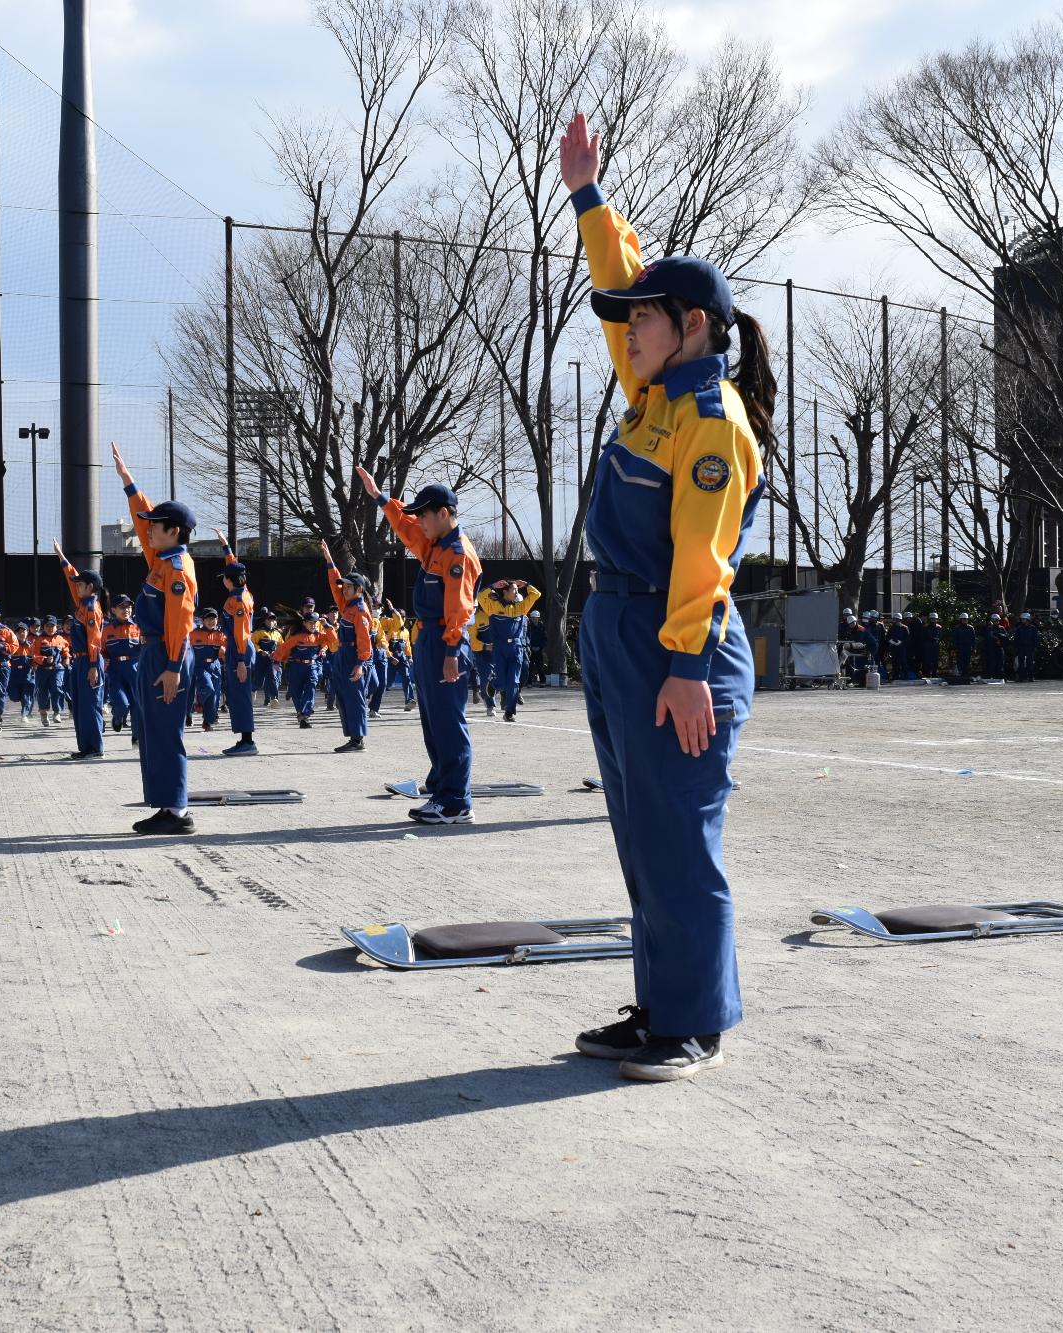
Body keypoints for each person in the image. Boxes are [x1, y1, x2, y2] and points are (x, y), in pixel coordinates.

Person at [557, 110, 771, 1080]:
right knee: (639, 828)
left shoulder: (708, 421)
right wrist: (587, 197)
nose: (623, 331)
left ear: (688, 327)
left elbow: (702, 556)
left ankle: (693, 1022)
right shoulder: (652, 397)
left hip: (671, 636)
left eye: (639, 319)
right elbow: (618, 273)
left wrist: (684, 665)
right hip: (619, 627)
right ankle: (658, 1005)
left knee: (679, 832)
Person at [355, 467, 479, 824]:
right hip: (427, 639)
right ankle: (442, 791)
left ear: (443, 513)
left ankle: (456, 801)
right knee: (433, 721)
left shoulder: (456, 553)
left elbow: (460, 606)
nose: (419, 522)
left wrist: (453, 651)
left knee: (448, 723)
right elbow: (405, 528)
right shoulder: (434, 544)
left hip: (445, 641)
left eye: (424, 515)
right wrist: (381, 499)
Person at [112, 442, 197, 835]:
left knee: (165, 731)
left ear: (174, 531)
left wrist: (172, 667)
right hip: (156, 653)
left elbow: (179, 621)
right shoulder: (161, 560)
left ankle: (177, 811)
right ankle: (165, 807)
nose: (147, 529)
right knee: (151, 731)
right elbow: (143, 520)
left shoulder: (176, 568)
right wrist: (129, 483)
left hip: (167, 653)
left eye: (155, 525)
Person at [320, 539, 376, 753]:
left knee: (354, 697)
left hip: (355, 655)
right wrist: (329, 561)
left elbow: (364, 640)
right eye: (345, 586)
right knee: (344, 696)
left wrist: (361, 663)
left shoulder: (360, 611)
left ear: (359, 589)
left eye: (349, 587)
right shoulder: (348, 605)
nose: (344, 589)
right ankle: (352, 737)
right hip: (344, 653)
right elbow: (335, 585)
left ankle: (358, 739)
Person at [54, 545, 109, 758]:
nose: (76, 587)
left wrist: (94, 666)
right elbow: (72, 577)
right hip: (79, 662)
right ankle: (85, 747)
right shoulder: (82, 603)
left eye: (81, 585)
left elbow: (94, 639)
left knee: (90, 705)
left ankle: (95, 747)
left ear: (91, 587)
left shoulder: (92, 608)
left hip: (89, 661)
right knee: (79, 706)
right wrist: (61, 556)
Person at [211, 531, 260, 756]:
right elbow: (234, 566)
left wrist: (240, 660)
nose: (222, 579)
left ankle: (248, 741)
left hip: (240, 649)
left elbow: (240, 632)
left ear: (230, 580)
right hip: (237, 648)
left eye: (224, 576)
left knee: (240, 695)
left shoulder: (238, 600)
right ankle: (244, 739)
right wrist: (225, 546)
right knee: (236, 694)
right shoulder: (242, 591)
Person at [480, 578, 543, 720]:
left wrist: (526, 584)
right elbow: (480, 596)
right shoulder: (493, 606)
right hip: (500, 648)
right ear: (505, 592)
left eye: (517, 590)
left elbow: (536, 594)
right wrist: (493, 585)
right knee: (502, 682)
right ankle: (494, 683)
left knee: (514, 681)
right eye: (513, 590)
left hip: (516, 648)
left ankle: (509, 712)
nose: (516, 592)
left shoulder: (521, 607)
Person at [273, 609, 330, 726]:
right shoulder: (296, 637)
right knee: (296, 692)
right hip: (296, 667)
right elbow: (284, 648)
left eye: (315, 623)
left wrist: (326, 625)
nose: (313, 625)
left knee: (311, 687)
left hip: (312, 666)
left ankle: (305, 712)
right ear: (304, 623)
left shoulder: (319, 636)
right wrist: (277, 660)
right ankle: (302, 715)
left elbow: (333, 639)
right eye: (310, 622)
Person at [101, 596, 142, 740]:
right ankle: (117, 718)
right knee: (122, 704)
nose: (126, 610)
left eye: (129, 607)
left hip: (134, 668)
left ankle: (136, 738)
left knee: (137, 705)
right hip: (115, 670)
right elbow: (102, 650)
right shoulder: (106, 630)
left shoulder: (138, 626)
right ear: (113, 610)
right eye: (122, 607)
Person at [189, 608, 226, 732]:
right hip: (199, 666)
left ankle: (207, 721)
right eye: (209, 619)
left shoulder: (220, 634)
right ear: (203, 620)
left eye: (214, 618)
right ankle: (199, 702)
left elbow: (227, 650)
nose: (212, 621)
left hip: (215, 666)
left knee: (215, 696)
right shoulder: (194, 634)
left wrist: (224, 652)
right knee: (208, 688)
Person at [35, 617, 70, 725]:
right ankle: (44, 713)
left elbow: (66, 652)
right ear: (43, 627)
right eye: (47, 626)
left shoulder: (61, 639)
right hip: (42, 670)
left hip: (57, 669)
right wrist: (44, 660)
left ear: (56, 627)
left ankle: (57, 712)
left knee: (57, 688)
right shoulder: (39, 640)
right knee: (42, 692)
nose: (50, 628)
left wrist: (66, 660)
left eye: (52, 626)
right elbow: (34, 655)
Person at [1012, 612, 1040, 682]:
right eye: (1021, 619)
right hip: (1021, 647)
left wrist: (1035, 647)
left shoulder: (1033, 628)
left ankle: (1030, 676)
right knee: (1021, 662)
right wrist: (1016, 647)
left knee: (1030, 662)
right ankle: (1021, 676)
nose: (1022, 620)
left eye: (1023, 619)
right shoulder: (1019, 628)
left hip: (1030, 647)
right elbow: (1016, 638)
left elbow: (1035, 638)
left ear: (1027, 619)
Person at [950, 613, 976, 682]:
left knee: (967, 661)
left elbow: (973, 639)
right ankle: (960, 675)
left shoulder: (971, 628)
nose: (965, 620)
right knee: (960, 661)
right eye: (963, 619)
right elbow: (954, 639)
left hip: (968, 647)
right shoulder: (957, 628)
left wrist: (974, 648)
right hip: (960, 647)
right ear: (960, 620)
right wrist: (954, 648)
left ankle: (966, 675)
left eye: (966, 619)